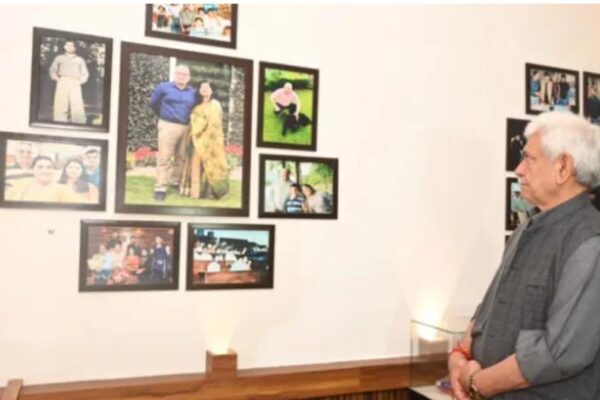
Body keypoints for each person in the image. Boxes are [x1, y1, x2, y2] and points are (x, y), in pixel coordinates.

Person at [448, 112, 600, 400]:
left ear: (563, 167)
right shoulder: (526, 228)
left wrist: (478, 382)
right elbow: (489, 307)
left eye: (529, 159)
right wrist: (459, 356)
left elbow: (559, 353)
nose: (518, 170)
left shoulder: (590, 242)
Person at [150, 64, 197, 201]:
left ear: (189, 77)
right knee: (164, 157)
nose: (182, 76)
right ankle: (160, 188)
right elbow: (153, 104)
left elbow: (195, 109)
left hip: (186, 127)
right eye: (179, 73)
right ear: (175, 74)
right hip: (168, 125)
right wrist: (164, 116)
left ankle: (175, 182)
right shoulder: (163, 87)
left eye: (185, 74)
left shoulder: (193, 93)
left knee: (181, 158)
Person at [180, 81, 229, 200]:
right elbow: (192, 123)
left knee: (211, 166)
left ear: (212, 90)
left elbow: (215, 124)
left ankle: (211, 193)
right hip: (197, 141)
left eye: (207, 87)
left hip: (211, 141)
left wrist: (200, 126)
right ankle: (194, 193)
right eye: (201, 87)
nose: (203, 89)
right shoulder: (197, 106)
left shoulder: (215, 105)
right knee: (195, 166)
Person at [48, 40, 89, 124]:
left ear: (75, 48)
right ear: (64, 47)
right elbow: (52, 70)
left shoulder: (80, 60)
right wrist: (57, 79)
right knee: (61, 103)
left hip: (75, 82)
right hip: (63, 81)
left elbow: (85, 73)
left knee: (77, 104)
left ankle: (79, 123)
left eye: (72, 46)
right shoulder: (59, 58)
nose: (70, 47)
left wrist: (80, 81)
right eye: (68, 45)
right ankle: (60, 122)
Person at [4, 155, 71, 202]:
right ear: (32, 170)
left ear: (53, 170)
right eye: (40, 167)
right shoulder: (19, 185)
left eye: (49, 167)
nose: (45, 170)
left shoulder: (63, 189)